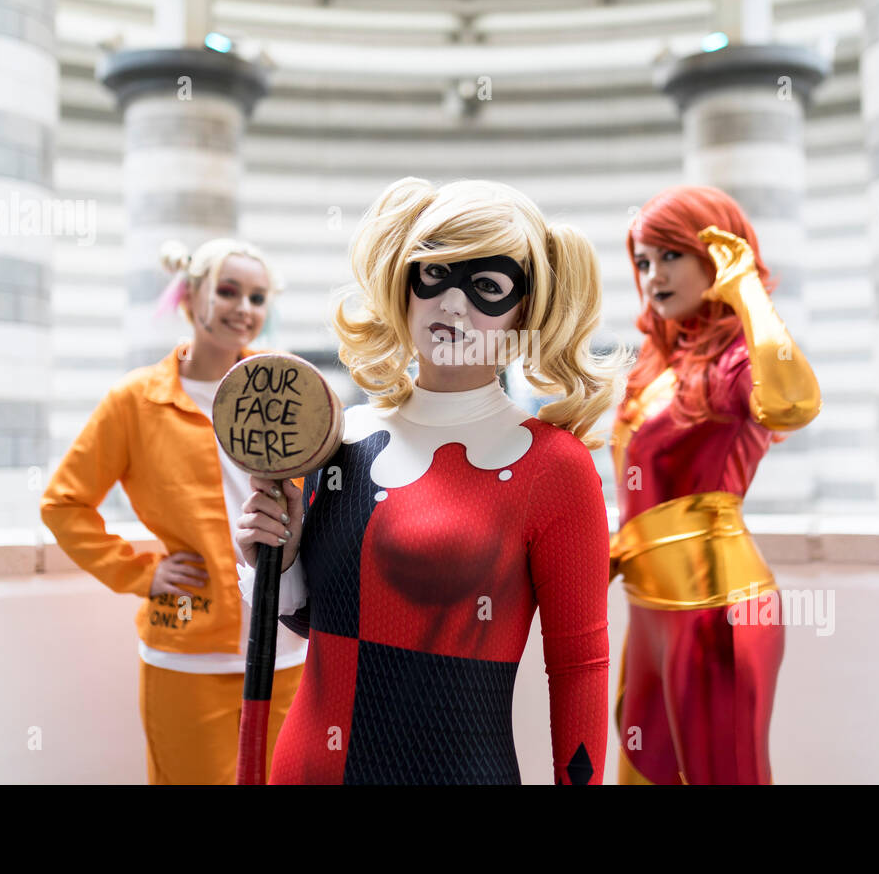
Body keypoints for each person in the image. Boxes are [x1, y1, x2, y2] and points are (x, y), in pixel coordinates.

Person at [235, 177, 622, 784]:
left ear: (529, 310)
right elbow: (315, 622)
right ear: (404, 283)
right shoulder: (338, 438)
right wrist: (275, 565)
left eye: (487, 286)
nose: (451, 303)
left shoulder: (555, 466)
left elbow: (580, 665)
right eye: (434, 273)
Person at [40, 238, 307, 784]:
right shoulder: (135, 401)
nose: (244, 308)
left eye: (258, 298)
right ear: (190, 298)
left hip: (287, 648)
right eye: (228, 291)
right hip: (188, 652)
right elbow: (64, 504)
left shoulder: (290, 389)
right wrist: (142, 572)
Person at [610, 185, 821, 785]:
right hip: (651, 606)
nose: (653, 276)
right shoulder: (661, 366)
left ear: (715, 254)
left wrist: (746, 288)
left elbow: (795, 404)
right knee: (640, 772)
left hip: (718, 608)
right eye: (643, 261)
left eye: (670, 256)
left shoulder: (736, 361)